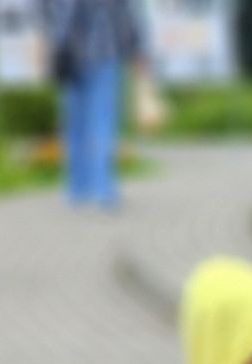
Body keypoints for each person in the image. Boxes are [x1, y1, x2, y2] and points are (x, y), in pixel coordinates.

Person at [38, 0, 161, 209]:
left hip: (70, 56)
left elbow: (45, 13)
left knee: (76, 125)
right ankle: (103, 189)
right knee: (100, 122)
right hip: (102, 54)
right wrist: (138, 50)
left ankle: (78, 189)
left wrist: (53, 42)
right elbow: (129, 14)